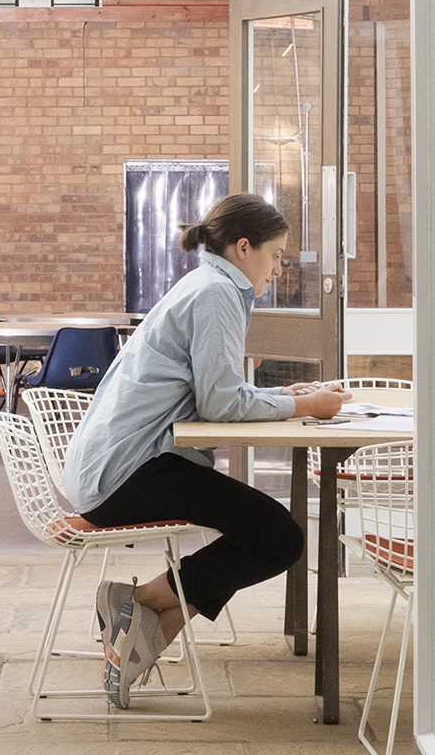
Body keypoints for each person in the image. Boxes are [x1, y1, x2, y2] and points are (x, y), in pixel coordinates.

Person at [61, 192, 348, 708]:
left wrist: (284, 396)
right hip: (129, 474)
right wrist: (306, 407)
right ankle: (138, 602)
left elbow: (215, 392)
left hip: (119, 468)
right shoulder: (216, 293)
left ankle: (149, 627)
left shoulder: (205, 284)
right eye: (276, 255)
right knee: (278, 537)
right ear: (244, 247)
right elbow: (222, 402)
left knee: (262, 533)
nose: (279, 269)